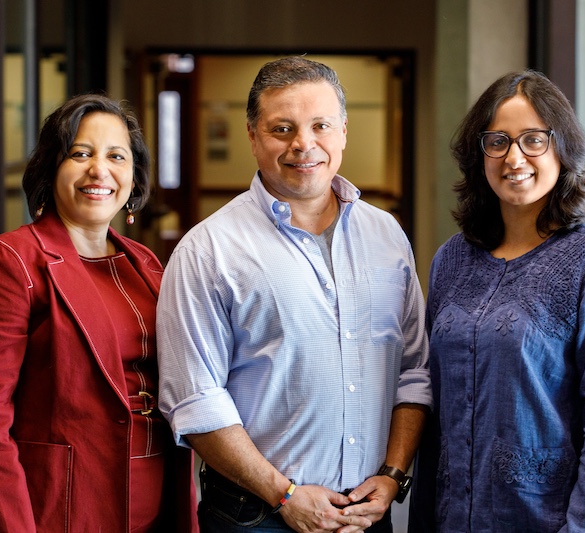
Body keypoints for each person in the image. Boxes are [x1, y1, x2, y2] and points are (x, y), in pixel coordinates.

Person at [156, 56, 432, 532]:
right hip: (254, 515)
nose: (304, 144)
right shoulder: (209, 249)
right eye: (282, 128)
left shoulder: (387, 236)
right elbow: (195, 400)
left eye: (320, 125)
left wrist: (392, 475)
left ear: (343, 131)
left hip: (366, 515)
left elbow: (413, 371)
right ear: (252, 135)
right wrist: (282, 494)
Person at [408, 70, 585, 532]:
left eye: (533, 139)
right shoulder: (451, 260)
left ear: (563, 149)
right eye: (497, 141)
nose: (514, 157)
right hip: (455, 515)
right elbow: (436, 405)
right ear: (479, 155)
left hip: (552, 519)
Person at [0, 93, 198, 532]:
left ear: (134, 176)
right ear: (51, 168)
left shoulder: (144, 263)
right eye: (80, 153)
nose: (99, 170)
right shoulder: (11, 262)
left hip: (155, 507)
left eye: (116, 156)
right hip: (57, 512)